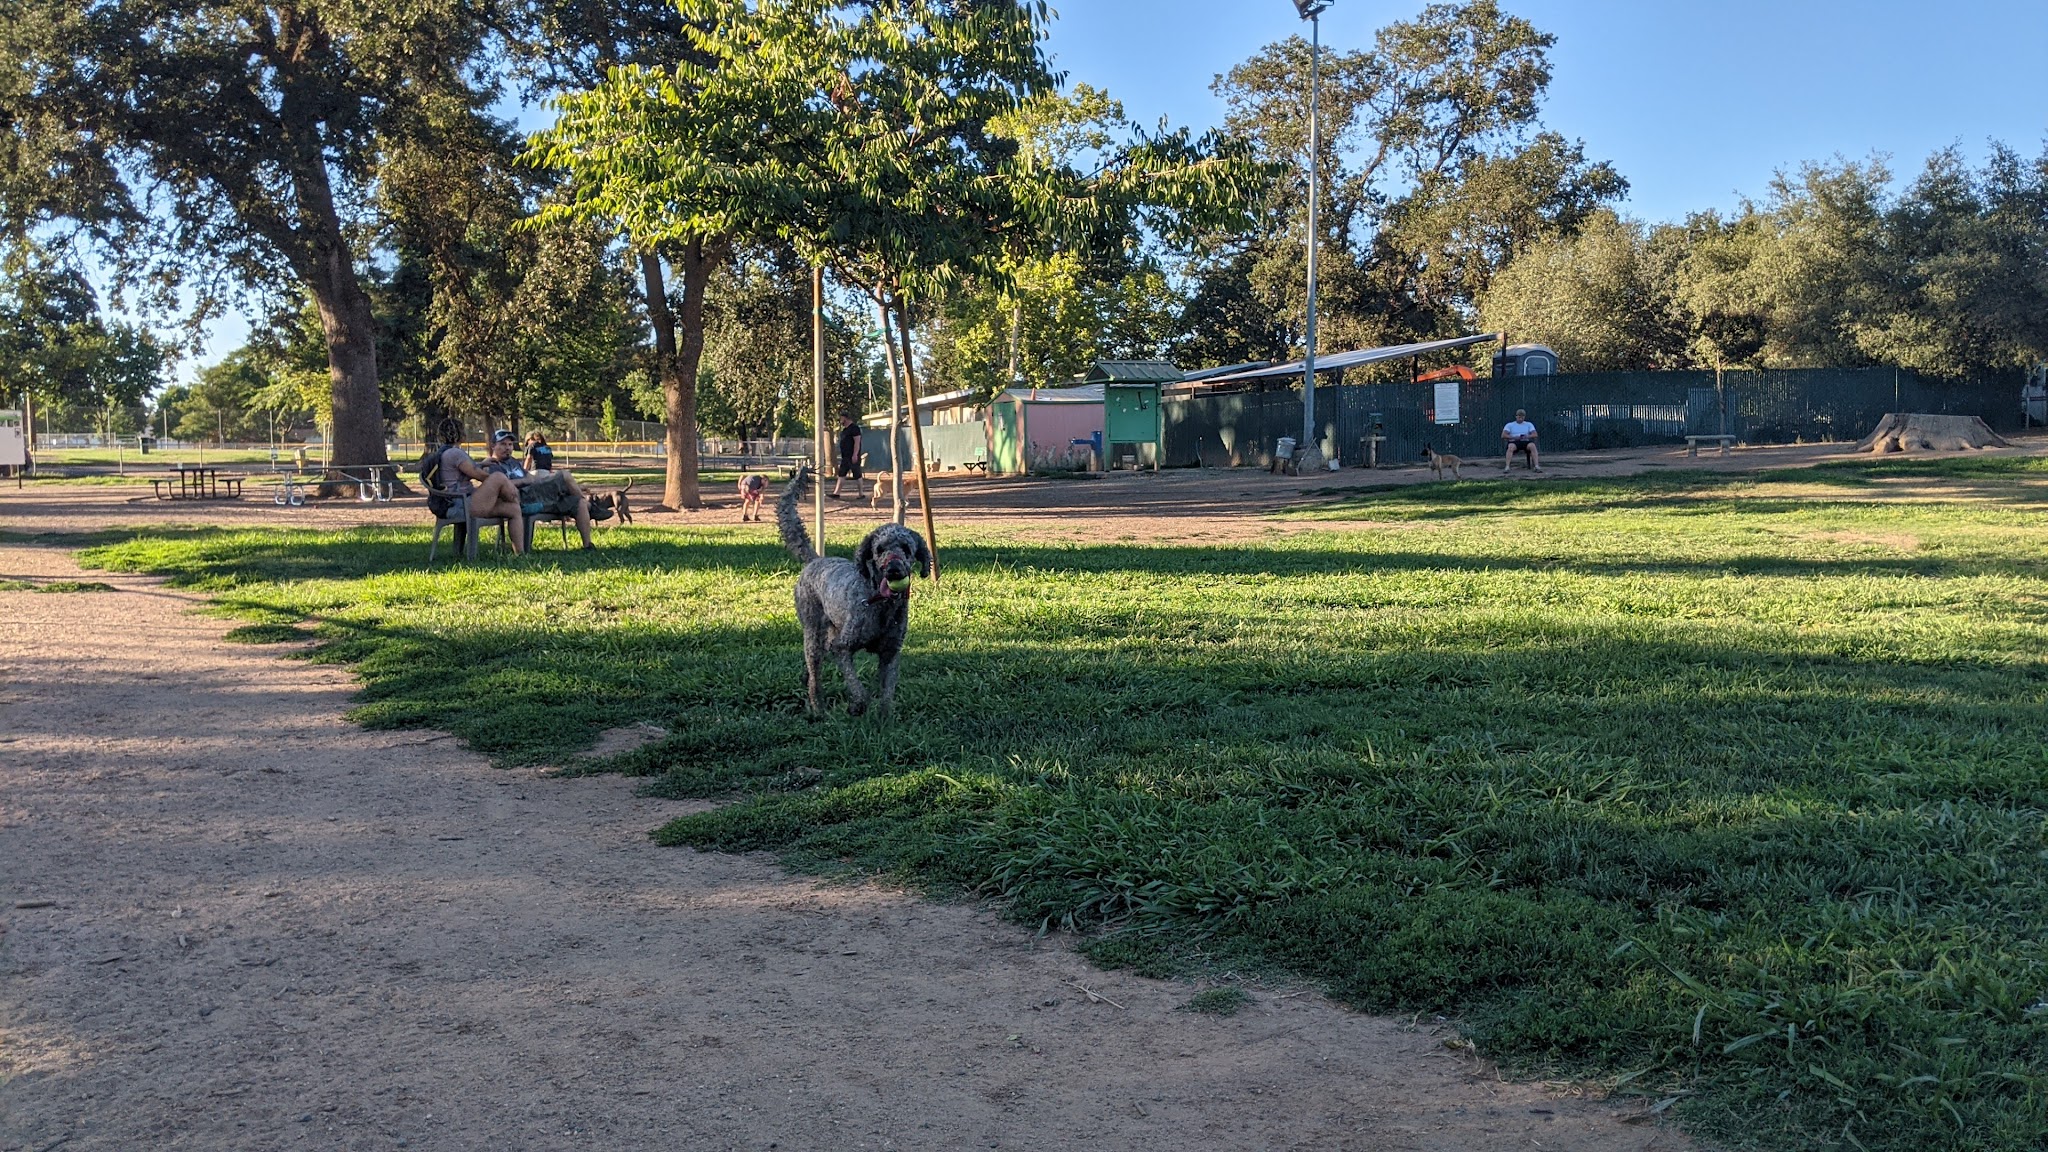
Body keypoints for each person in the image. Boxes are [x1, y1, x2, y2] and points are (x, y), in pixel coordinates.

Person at [485, 431, 595, 549]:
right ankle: (594, 508)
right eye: (502, 444)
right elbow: (500, 486)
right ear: (493, 446)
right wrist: (524, 481)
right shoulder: (492, 465)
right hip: (523, 500)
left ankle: (588, 545)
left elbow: (529, 477)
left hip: (539, 497)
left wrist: (527, 480)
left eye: (510, 444)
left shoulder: (513, 462)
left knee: (579, 503)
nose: (507, 448)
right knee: (564, 475)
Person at [431, 419, 526, 554]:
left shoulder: (443, 453)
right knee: (498, 477)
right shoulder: (455, 453)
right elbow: (478, 475)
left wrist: (482, 465)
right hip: (460, 505)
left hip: (455, 503)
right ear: (461, 434)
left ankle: (520, 553)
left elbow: (465, 472)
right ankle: (520, 501)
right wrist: (500, 484)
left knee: (514, 509)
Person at [829, 412, 864, 499]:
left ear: (846, 418)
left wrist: (855, 454)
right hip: (845, 457)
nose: (840, 420)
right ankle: (836, 493)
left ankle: (861, 494)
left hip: (852, 456)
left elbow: (857, 442)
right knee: (841, 474)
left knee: (857, 474)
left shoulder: (855, 429)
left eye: (841, 418)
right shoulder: (844, 430)